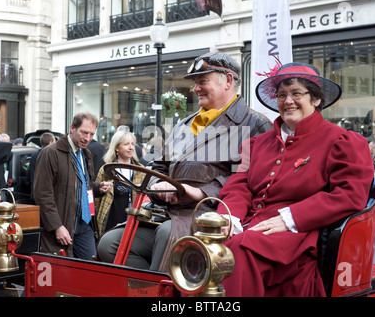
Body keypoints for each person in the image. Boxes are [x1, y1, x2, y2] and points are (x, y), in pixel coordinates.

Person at [97, 51, 272, 271]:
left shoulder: (255, 123)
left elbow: (252, 180)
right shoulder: (184, 125)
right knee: (108, 244)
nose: (196, 88)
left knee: (166, 233)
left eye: (203, 82)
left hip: (211, 216)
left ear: (228, 81)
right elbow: (159, 167)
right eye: (196, 83)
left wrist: (199, 191)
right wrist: (156, 185)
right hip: (167, 213)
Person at [215, 62, 375, 297]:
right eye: (282, 95)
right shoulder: (253, 145)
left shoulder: (342, 141)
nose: (288, 101)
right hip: (248, 229)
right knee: (200, 247)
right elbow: (238, 186)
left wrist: (290, 219)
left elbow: (350, 195)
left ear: (316, 99)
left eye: (297, 93)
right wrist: (229, 218)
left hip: (296, 238)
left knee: (237, 251)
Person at [34, 112, 113, 259]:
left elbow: (78, 185)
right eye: (84, 132)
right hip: (62, 225)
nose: (88, 138)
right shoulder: (50, 153)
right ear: (72, 128)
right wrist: (57, 226)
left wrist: (97, 188)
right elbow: (42, 194)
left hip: (85, 225)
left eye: (91, 134)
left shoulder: (85, 154)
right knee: (62, 275)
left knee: (90, 270)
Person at [95, 130, 145, 237]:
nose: (131, 148)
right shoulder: (106, 170)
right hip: (110, 223)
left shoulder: (141, 171)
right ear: (116, 148)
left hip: (133, 223)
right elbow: (97, 200)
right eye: (126, 144)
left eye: (132, 144)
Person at [26, 132, 56, 202]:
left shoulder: (34, 155)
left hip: (34, 195)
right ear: (50, 142)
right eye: (54, 141)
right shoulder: (51, 155)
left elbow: (28, 177)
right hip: (47, 197)